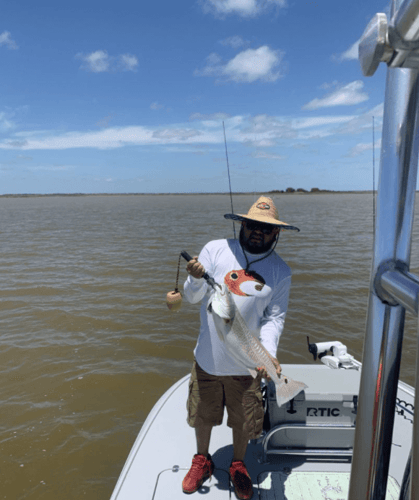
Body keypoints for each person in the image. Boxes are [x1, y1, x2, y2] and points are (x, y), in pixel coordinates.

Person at [181, 195, 299, 500]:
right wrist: (195, 281)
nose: (257, 230)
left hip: (248, 363)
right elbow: (193, 298)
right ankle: (202, 459)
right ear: (242, 225)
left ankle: (237, 464)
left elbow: (275, 318)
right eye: (252, 224)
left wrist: (269, 354)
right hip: (207, 361)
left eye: (265, 227)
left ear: (277, 233)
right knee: (203, 416)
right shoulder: (216, 249)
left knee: (244, 421)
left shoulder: (281, 272)